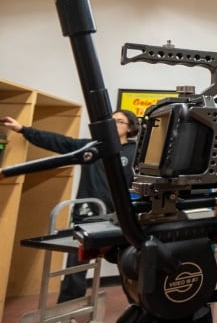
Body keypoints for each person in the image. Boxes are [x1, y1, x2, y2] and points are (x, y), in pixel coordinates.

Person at [0, 110, 138, 306]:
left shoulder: (136, 153)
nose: (112, 124)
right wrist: (23, 129)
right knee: (75, 267)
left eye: (119, 121)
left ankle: (137, 309)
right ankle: (66, 314)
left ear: (130, 127)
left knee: (130, 264)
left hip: (121, 219)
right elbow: (58, 142)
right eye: (110, 121)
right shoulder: (90, 148)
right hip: (87, 215)